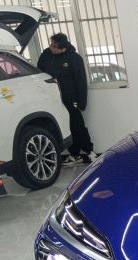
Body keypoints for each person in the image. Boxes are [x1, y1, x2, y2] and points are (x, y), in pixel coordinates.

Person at [37, 33, 97, 165]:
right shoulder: (46, 55)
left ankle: (89, 151)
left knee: (77, 125)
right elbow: (39, 73)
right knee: (64, 125)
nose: (52, 48)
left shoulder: (74, 58)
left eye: (55, 47)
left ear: (63, 48)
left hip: (70, 98)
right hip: (52, 98)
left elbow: (81, 80)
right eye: (51, 45)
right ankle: (74, 154)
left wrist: (81, 102)